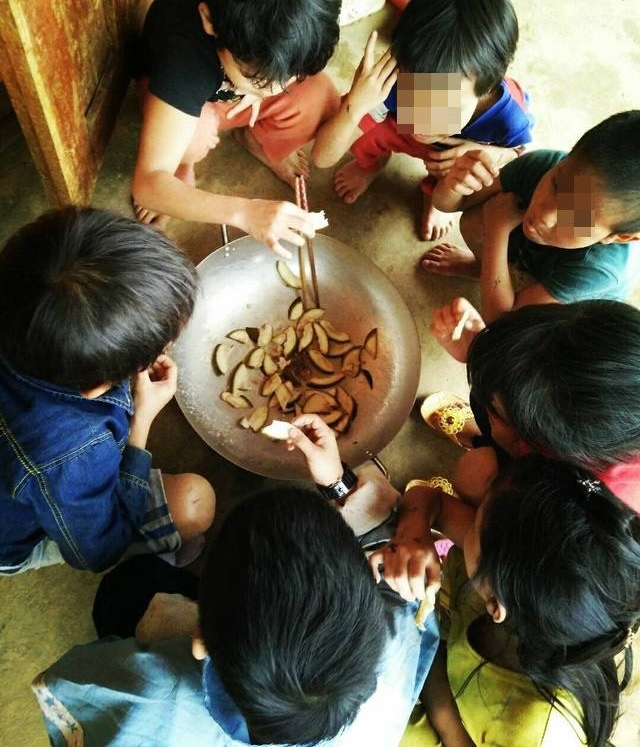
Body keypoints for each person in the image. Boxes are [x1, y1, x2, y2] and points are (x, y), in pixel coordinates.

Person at [33, 462, 438, 745]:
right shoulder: (395, 651)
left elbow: (71, 680)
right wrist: (337, 480)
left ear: (200, 641)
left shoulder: (147, 700)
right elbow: (403, 541)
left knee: (126, 590)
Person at [0, 207, 215, 574]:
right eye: (162, 346)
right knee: (196, 503)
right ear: (97, 386)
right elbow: (97, 551)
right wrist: (140, 423)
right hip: (15, 539)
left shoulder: (16, 292)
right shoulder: (72, 454)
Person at [371, 456, 640, 747]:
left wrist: (440, 704)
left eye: (474, 523)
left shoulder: (535, 731)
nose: (467, 520)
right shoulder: (512, 571)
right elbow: (430, 498)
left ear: (494, 605)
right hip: (441, 676)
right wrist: (413, 534)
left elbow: (456, 738)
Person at [132, 0, 341, 255]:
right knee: (193, 140)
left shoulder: (285, 25)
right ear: (209, 20)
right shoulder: (184, 53)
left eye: (286, 76)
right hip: (184, 99)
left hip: (229, 90)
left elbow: (279, 78)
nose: (279, 88)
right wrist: (245, 211)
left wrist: (256, 91)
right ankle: (183, 164)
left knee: (320, 97)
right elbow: (146, 184)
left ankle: (256, 138)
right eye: (257, 77)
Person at [311, 0, 533, 241]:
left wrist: (491, 153)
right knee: (363, 130)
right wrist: (355, 106)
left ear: (486, 88)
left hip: (448, 157)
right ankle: (371, 164)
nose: (422, 122)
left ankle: (433, 190)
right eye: (414, 97)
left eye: (447, 106)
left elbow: (519, 155)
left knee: (471, 170)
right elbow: (322, 158)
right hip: (396, 130)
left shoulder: (510, 118)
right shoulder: (389, 82)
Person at [423, 110, 640, 321]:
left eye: (577, 216)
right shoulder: (543, 164)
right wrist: (454, 183)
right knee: (474, 221)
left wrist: (497, 231)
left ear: (621, 237)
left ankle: (502, 275)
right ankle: (482, 269)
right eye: (556, 185)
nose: (544, 214)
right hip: (535, 256)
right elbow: (448, 205)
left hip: (564, 301)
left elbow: (502, 321)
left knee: (537, 328)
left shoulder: (599, 271)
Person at [426, 297, 640, 508]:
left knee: (473, 474)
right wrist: (481, 347)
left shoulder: (587, 505)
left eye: (498, 413)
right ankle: (479, 438)